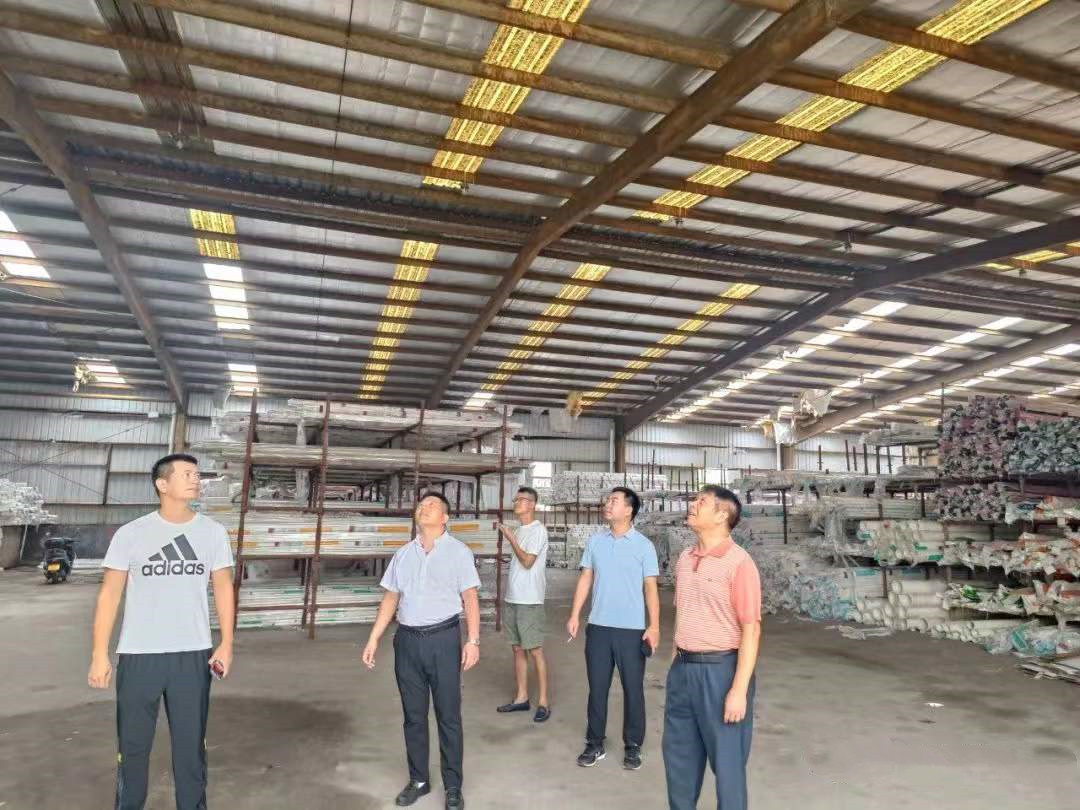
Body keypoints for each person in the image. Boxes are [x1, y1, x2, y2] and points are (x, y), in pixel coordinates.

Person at [87, 453, 235, 810]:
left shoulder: (212, 533)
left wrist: (227, 643)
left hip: (193, 654)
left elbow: (223, 588)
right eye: (187, 474)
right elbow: (110, 595)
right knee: (132, 746)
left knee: (191, 746)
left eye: (197, 474)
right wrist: (99, 654)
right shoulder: (131, 534)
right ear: (162, 484)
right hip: (139, 655)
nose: (196, 479)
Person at [363, 491, 481, 810]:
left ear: (445, 518)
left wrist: (472, 641)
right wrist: (374, 638)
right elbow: (391, 598)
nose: (423, 508)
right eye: (421, 504)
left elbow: (470, 597)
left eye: (431, 505)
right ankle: (419, 780)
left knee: (448, 715)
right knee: (413, 716)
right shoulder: (403, 554)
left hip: (443, 640)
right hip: (407, 642)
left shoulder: (458, 552)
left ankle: (453, 785)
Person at [663, 485, 762, 810]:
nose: (692, 505)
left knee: (728, 767)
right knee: (678, 758)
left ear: (721, 515)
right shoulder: (685, 558)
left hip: (721, 672)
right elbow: (683, 613)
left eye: (701, 501)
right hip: (683, 670)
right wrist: (675, 660)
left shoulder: (739, 563)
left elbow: (751, 629)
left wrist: (739, 690)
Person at [566, 486, 660, 771]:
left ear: (629, 510)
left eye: (614, 501)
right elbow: (586, 578)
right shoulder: (596, 542)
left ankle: (633, 746)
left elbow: (651, 588)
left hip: (631, 631)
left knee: (633, 689)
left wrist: (654, 626)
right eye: (608, 500)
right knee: (597, 689)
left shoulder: (644, 545)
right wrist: (575, 614)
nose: (607, 504)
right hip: (598, 627)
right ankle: (594, 743)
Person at [495, 486, 551, 722]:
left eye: (521, 499)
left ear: (532, 504)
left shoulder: (538, 530)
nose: (516, 502)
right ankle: (521, 697)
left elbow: (528, 562)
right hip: (513, 598)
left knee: (535, 650)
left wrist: (510, 538)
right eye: (516, 499)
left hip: (530, 600)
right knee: (517, 648)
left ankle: (544, 702)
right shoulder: (519, 530)